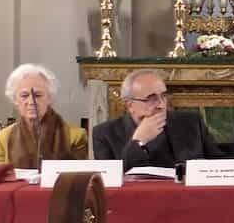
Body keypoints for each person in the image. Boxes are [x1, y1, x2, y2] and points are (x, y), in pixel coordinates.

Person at [92, 69, 225, 171]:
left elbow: (218, 166)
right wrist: (138, 141)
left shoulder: (191, 122)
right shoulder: (104, 134)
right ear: (130, 105)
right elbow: (112, 180)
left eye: (163, 96)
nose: (161, 105)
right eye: (151, 99)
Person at [0, 64, 88, 168]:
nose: (31, 102)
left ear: (50, 98)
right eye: (24, 96)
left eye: (38, 95)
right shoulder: (2, 139)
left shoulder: (76, 137)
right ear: (15, 100)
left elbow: (77, 177)